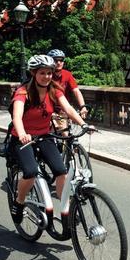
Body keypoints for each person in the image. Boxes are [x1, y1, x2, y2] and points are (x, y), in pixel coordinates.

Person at [9, 55, 94, 224]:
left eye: (49, 73)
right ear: (34, 73)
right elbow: (17, 117)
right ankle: (19, 202)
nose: (47, 76)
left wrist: (84, 125)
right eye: (42, 73)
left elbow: (68, 109)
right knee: (31, 172)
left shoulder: (54, 90)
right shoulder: (23, 91)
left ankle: (65, 210)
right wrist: (23, 133)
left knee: (61, 171)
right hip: (22, 138)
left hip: (44, 135)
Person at [46, 49, 87, 119]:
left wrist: (83, 106)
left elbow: (76, 91)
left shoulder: (67, 74)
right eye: (55, 60)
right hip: (48, 110)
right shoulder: (46, 76)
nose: (59, 63)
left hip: (63, 110)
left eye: (61, 60)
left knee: (65, 129)